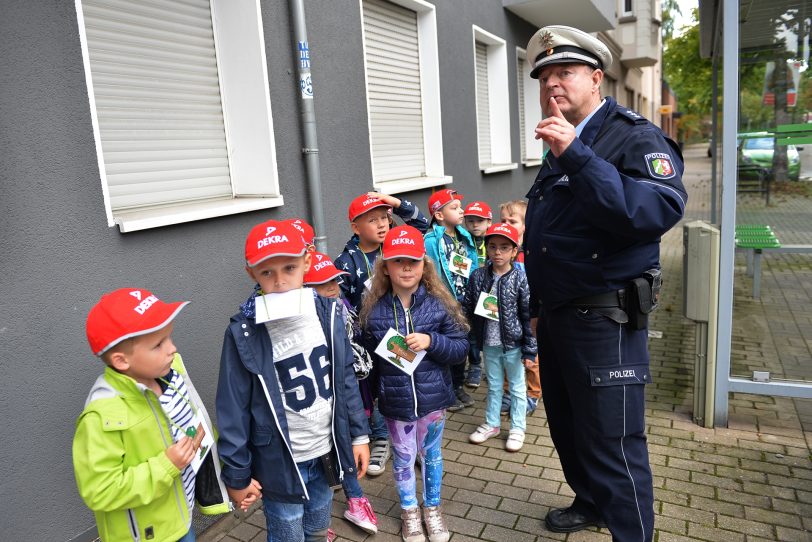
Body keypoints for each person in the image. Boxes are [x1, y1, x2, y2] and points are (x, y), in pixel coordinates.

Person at [523, 25, 687, 541]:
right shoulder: (567, 138)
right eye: (544, 76)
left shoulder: (631, 136)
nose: (552, 84)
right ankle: (590, 502)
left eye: (564, 72)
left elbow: (656, 209)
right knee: (568, 427)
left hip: (605, 319)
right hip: (558, 314)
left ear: (596, 79)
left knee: (614, 443)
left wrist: (578, 155)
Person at [216, 220, 371, 542]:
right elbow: (232, 408)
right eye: (267, 273)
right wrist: (237, 474)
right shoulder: (244, 333)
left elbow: (345, 380)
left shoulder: (327, 314)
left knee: (317, 524)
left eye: (289, 268)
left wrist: (358, 436)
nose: (281, 282)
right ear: (252, 274)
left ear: (307, 262)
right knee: (287, 530)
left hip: (325, 448)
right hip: (280, 461)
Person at [74, 288, 230, 542]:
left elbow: (188, 427)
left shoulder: (171, 378)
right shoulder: (102, 416)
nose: (172, 348)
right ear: (122, 361)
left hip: (182, 519)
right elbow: (100, 491)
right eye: (158, 344)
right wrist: (166, 465)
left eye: (169, 337)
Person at [361, 225, 469, 542]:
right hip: (396, 405)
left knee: (432, 456)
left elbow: (460, 349)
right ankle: (410, 512)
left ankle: (432, 510)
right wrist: (372, 401)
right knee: (404, 458)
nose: (406, 268)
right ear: (385, 267)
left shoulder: (439, 305)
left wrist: (431, 341)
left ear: (425, 265)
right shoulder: (375, 311)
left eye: (413, 261)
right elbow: (369, 363)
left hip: (434, 403)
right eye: (398, 261)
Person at [336, 192, 428, 477]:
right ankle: (381, 440)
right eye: (372, 220)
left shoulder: (395, 243)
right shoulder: (347, 261)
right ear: (355, 227)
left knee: (406, 385)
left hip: (403, 333)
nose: (382, 224)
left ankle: (414, 443)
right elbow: (339, 302)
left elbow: (423, 226)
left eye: (384, 218)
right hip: (369, 339)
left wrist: (398, 204)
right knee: (377, 390)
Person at [303, 252, 378, 534]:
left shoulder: (340, 308)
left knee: (344, 440)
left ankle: (354, 496)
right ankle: (315, 520)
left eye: (335, 280)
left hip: (347, 388)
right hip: (316, 400)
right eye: (324, 284)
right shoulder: (306, 321)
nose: (333, 288)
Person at [463, 223, 537, 452]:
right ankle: (492, 423)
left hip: (513, 344)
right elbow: (467, 306)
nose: (498, 252)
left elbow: (527, 315)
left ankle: (517, 428)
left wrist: (529, 349)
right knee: (494, 385)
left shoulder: (521, 278)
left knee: (516, 387)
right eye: (493, 246)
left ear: (514, 251)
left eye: (504, 247)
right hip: (489, 342)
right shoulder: (477, 276)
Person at [423, 189, 478, 411]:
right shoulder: (430, 240)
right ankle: (447, 390)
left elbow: (472, 265)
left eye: (459, 206)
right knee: (445, 347)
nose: (461, 210)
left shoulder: (464, 237)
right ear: (439, 215)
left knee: (461, 344)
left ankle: (457, 386)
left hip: (464, 301)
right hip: (443, 303)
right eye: (454, 207)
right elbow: (428, 273)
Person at [497, 200, 540, 415]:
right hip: (506, 315)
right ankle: (508, 392)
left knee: (531, 359)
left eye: (512, 221)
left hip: (528, 315)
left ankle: (532, 394)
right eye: (502, 220)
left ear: (525, 225)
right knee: (508, 356)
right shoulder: (500, 252)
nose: (505, 223)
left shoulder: (531, 253)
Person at [461, 200, 493, 389]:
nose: (475, 225)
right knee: (471, 332)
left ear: (489, 222)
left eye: (479, 221)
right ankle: (474, 365)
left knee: (491, 332)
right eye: (470, 221)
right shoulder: (462, 241)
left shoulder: (494, 242)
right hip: (469, 295)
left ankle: (492, 368)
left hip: (489, 295)